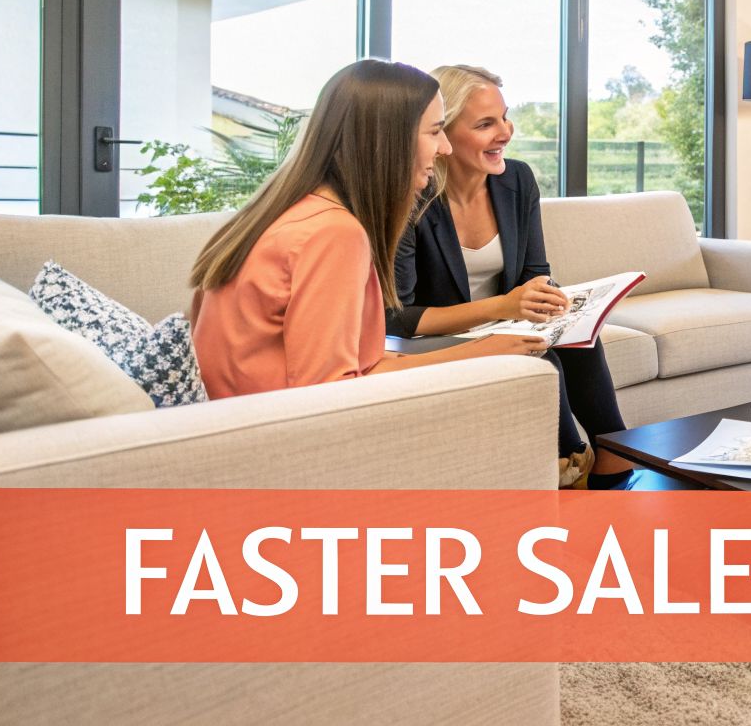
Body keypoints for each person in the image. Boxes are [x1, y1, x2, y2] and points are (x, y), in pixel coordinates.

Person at [191, 60, 546, 400]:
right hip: (276, 436)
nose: (445, 148)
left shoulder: (285, 213)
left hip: (241, 422)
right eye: (435, 131)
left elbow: (357, 364)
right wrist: (480, 354)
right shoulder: (333, 234)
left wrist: (481, 349)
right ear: (390, 140)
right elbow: (332, 390)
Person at [385, 65, 633, 489]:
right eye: (485, 124)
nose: (505, 132)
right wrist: (502, 307)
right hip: (433, 334)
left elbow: (535, 272)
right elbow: (398, 317)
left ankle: (615, 460)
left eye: (504, 116)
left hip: (503, 318)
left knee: (581, 341)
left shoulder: (516, 179)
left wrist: (554, 301)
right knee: (542, 353)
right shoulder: (413, 192)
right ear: (442, 134)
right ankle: (568, 465)